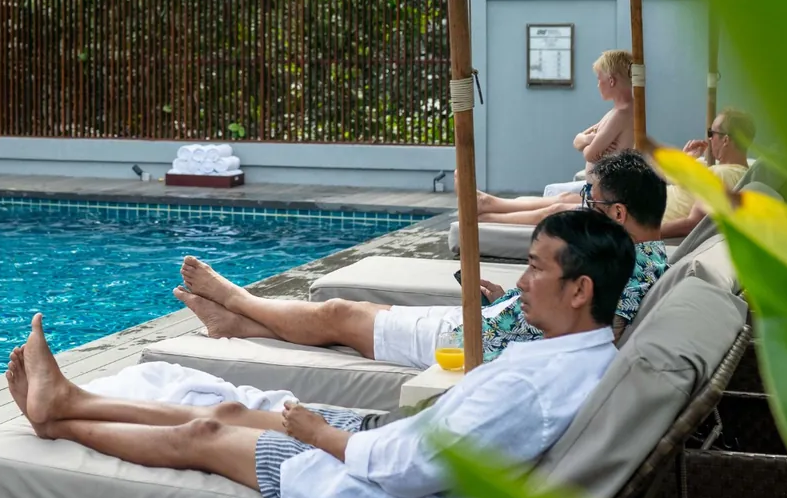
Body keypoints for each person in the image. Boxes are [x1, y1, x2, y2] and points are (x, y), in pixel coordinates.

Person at [5, 208, 631, 498]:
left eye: (536, 269)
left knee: (207, 434)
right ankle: (73, 398)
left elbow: (412, 473)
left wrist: (319, 436)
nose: (521, 282)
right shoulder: (581, 354)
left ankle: (59, 420)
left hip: (366, 474)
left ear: (579, 291)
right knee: (228, 408)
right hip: (379, 442)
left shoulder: (532, 384)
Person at [175, 150, 670, 368]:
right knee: (343, 320)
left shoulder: (631, 269)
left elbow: (595, 344)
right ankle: (237, 326)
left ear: (618, 212)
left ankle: (238, 299)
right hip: (491, 323)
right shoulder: (644, 260)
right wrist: (519, 301)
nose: (583, 207)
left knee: (339, 313)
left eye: (592, 200)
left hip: (474, 345)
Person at [481, 49, 635, 214]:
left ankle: (487, 215)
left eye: (599, 80)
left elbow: (589, 155)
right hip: (597, 191)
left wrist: (588, 141)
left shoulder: (620, 114)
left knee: (556, 208)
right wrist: (590, 140)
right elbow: (578, 140)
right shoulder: (615, 112)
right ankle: (489, 203)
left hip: (604, 198)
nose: (598, 85)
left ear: (611, 81)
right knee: (563, 198)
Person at [658, 108, 755, 238]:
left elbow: (693, 224)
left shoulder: (724, 175)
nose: (709, 139)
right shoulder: (716, 168)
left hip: (644, 225)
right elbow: (665, 178)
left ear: (725, 140)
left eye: (711, 133)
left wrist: (643, 235)